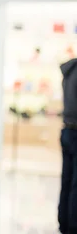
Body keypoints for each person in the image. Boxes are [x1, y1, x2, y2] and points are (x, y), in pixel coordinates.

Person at [59, 57, 77, 234]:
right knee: (75, 183)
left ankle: (64, 221)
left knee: (67, 179)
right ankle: (73, 225)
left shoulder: (69, 70)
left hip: (67, 130)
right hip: (75, 132)